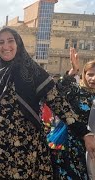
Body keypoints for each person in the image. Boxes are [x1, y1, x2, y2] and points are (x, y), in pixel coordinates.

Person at [0, 27, 95, 179]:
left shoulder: (32, 70)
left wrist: (84, 132)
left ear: (18, 43)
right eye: (1, 42)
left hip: (23, 147)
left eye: (11, 41)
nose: (6, 46)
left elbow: (57, 101)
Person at [49, 48, 95, 179]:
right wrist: (73, 71)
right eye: (90, 74)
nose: (93, 78)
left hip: (90, 149)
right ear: (84, 74)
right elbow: (56, 93)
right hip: (68, 146)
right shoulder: (76, 90)